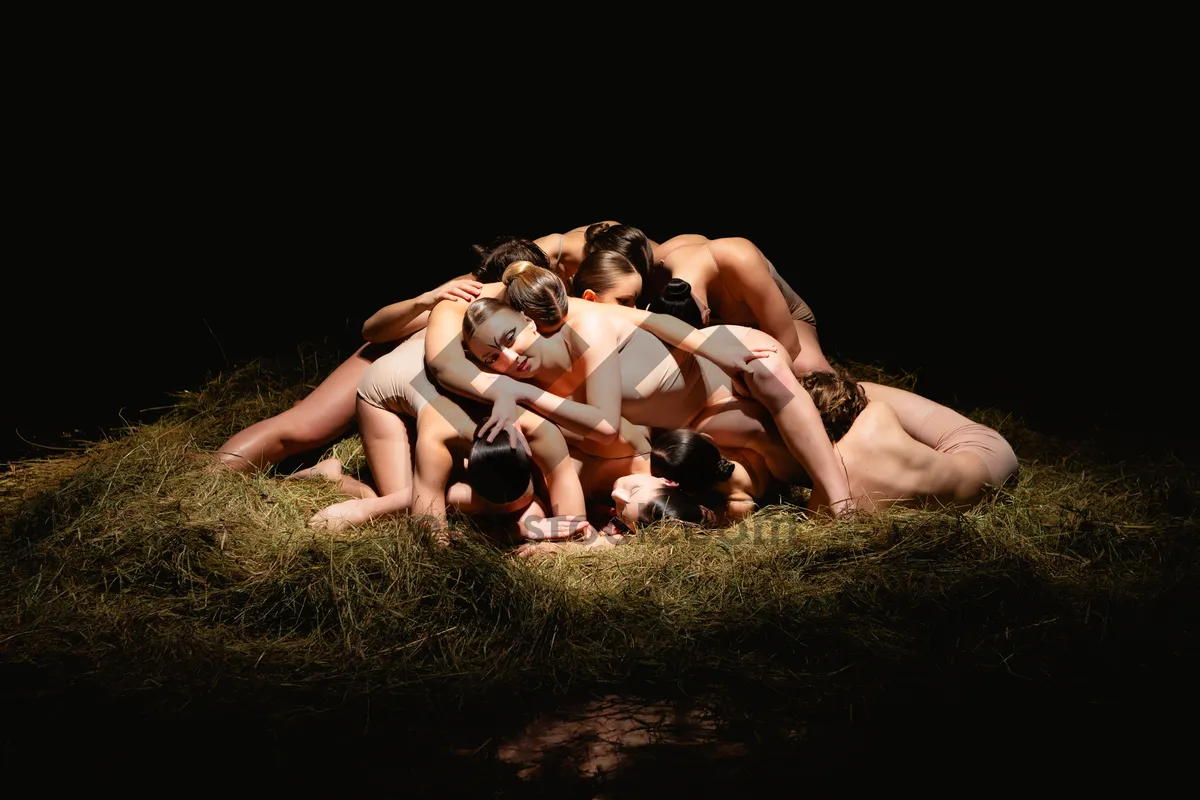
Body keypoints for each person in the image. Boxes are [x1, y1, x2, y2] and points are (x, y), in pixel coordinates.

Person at [454, 263, 855, 518]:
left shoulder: (583, 323)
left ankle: (841, 506)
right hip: (701, 420)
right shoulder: (523, 374)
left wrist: (717, 350)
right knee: (785, 458)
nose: (507, 358)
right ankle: (830, 488)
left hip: (716, 371)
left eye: (509, 338)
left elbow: (654, 324)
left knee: (765, 371)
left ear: (526, 321)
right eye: (493, 359)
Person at [211, 235, 549, 473]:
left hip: (407, 387)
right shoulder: (466, 296)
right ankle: (211, 474)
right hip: (380, 358)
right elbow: (372, 330)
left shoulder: (518, 315)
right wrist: (425, 299)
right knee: (304, 428)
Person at [639, 371, 1019, 520]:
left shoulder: (822, 505)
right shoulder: (876, 418)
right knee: (860, 392)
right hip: (990, 457)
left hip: (976, 470)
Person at [585, 225, 834, 375]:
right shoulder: (657, 268)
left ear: (705, 317)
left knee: (811, 376)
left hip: (787, 323)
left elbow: (789, 345)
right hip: (725, 333)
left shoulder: (739, 259)